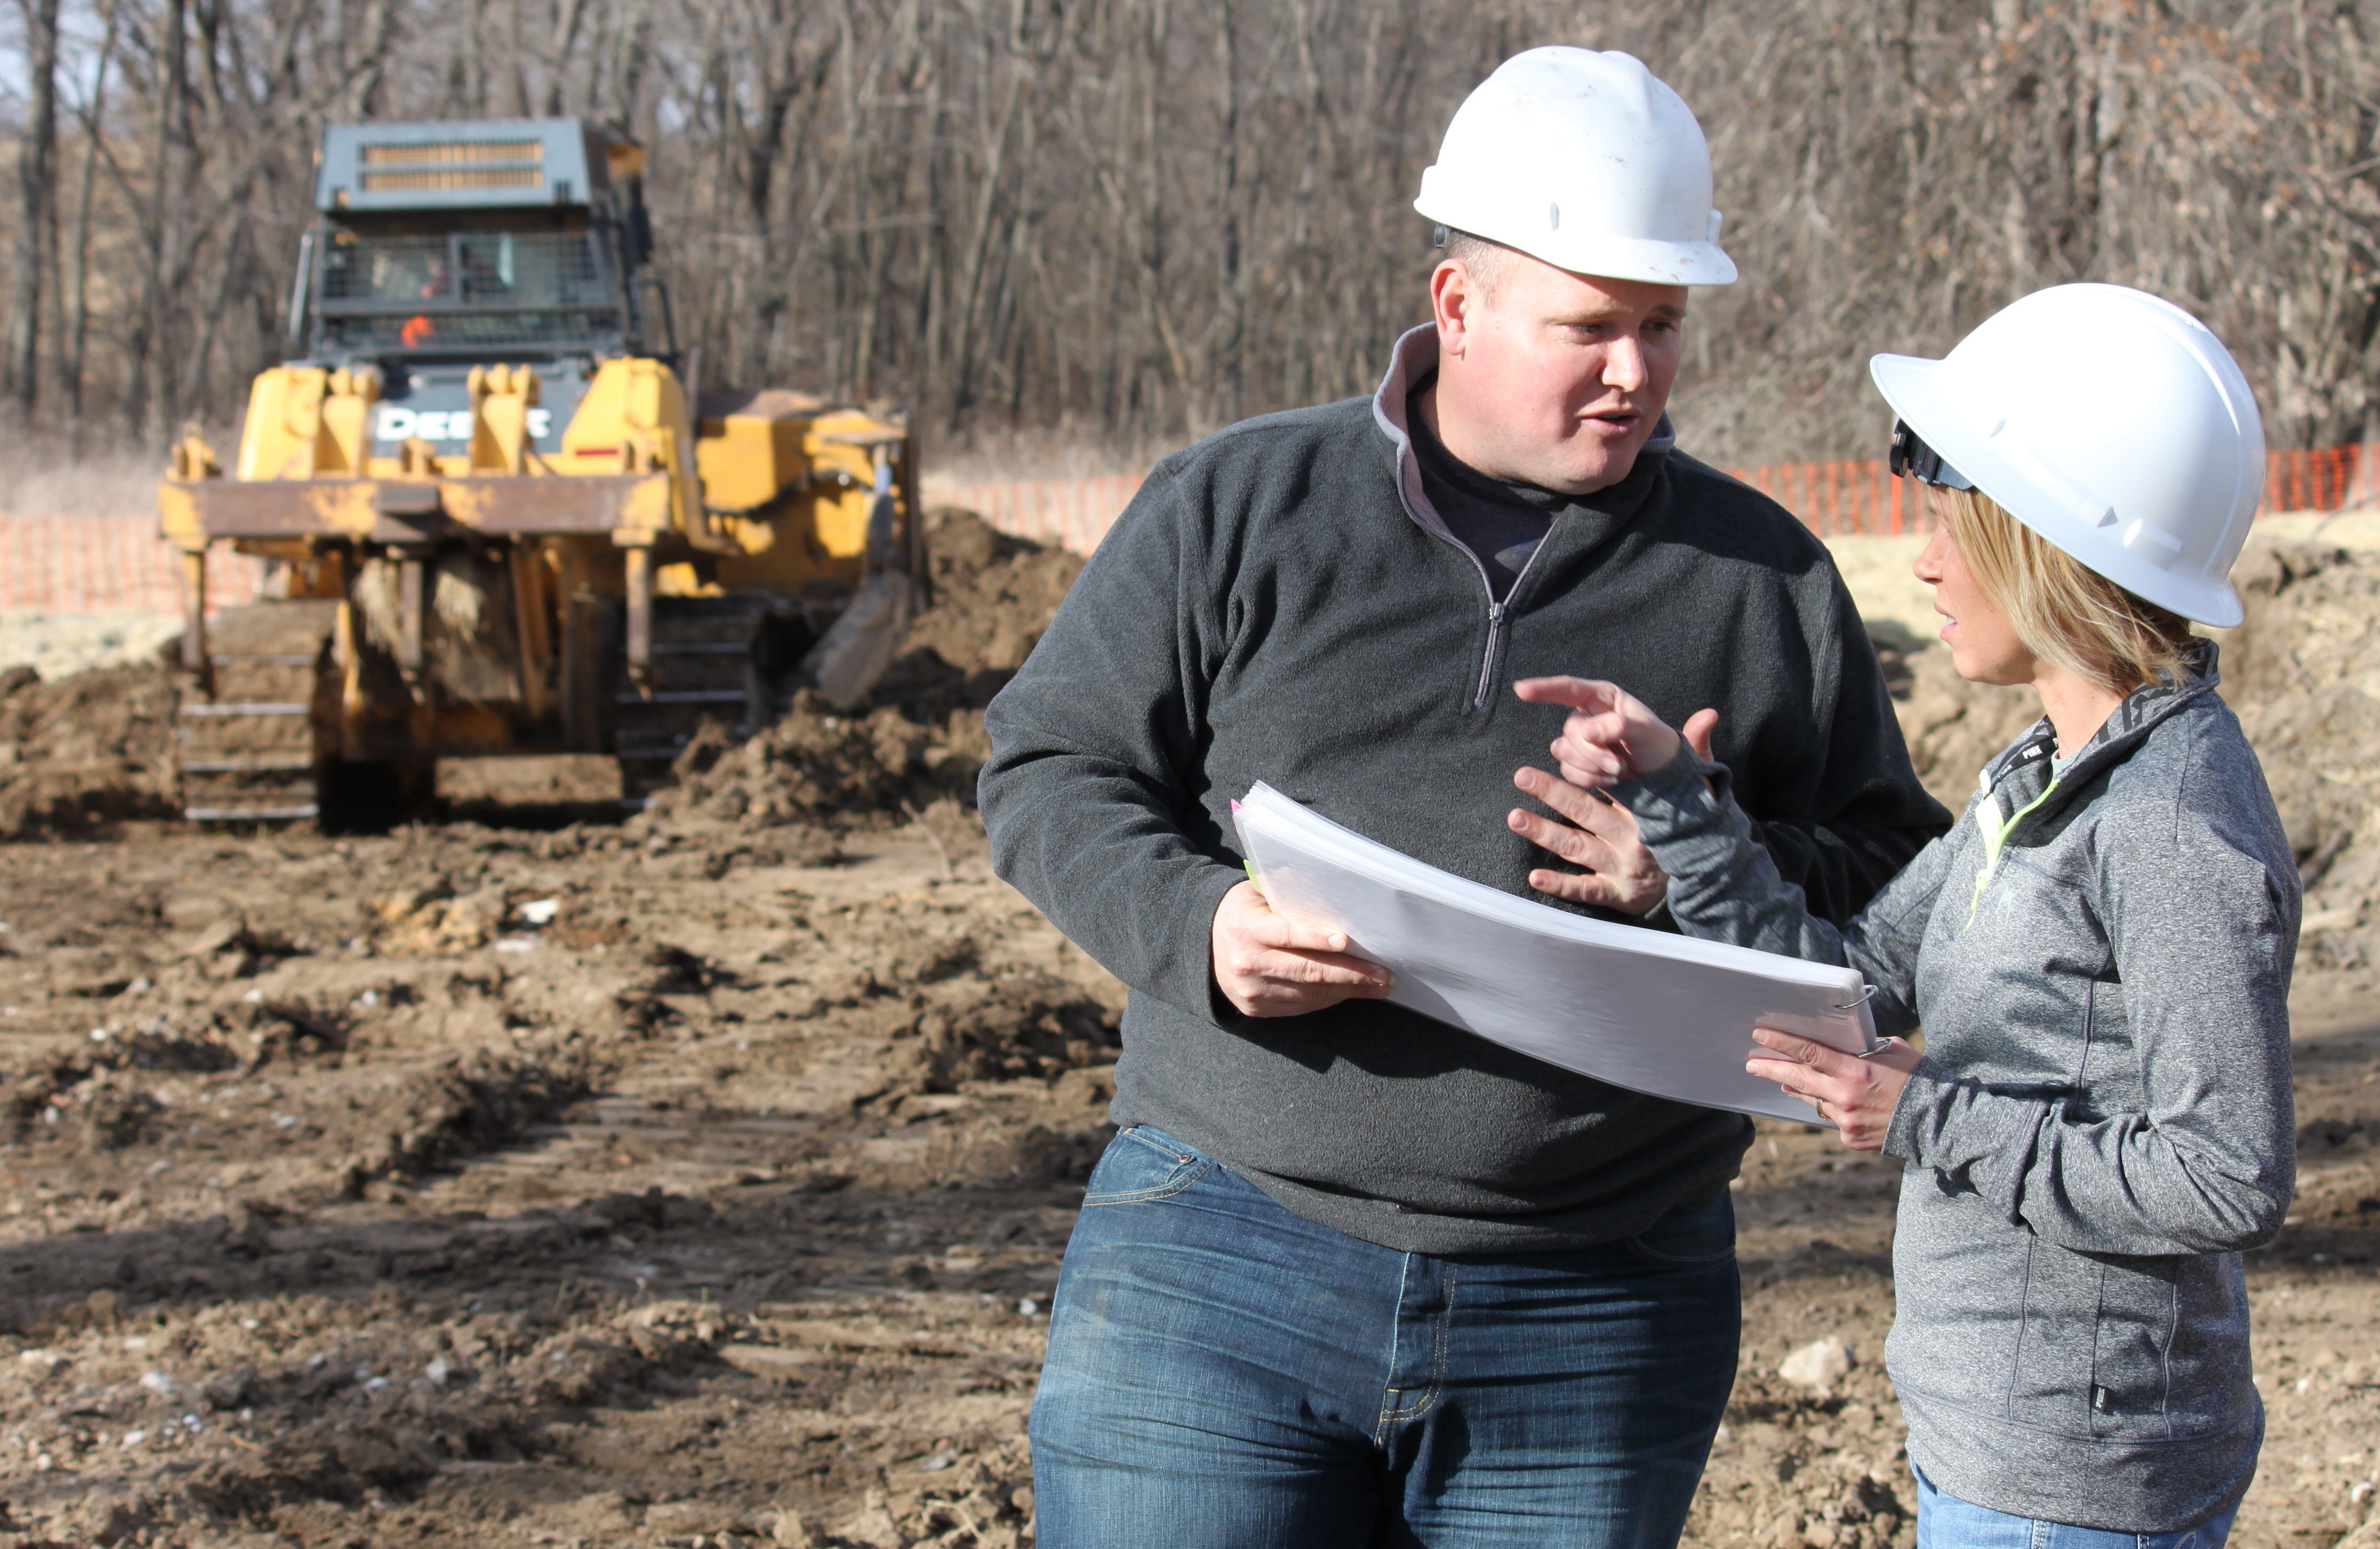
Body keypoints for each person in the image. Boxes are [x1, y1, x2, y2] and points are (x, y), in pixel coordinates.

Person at [978, 46, 1950, 1546]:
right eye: (1588, 326)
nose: (1634, 372)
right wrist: (1202, 925)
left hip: (1600, 1293)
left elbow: (1900, 877)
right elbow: (1051, 767)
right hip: (1217, 1247)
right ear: (1458, 306)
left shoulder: (1761, 577)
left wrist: (1694, 865)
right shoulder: (1241, 506)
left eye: (1662, 327)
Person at [1523, 282, 2297, 1549]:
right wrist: (1681, 809)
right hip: (1993, 1438)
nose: (1923, 557)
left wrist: (1922, 1114)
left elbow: (2226, 1176)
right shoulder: (2042, 770)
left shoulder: (2164, 819)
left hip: (2079, 1476)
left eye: (1948, 521)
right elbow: (1842, 982)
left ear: (2048, 542)